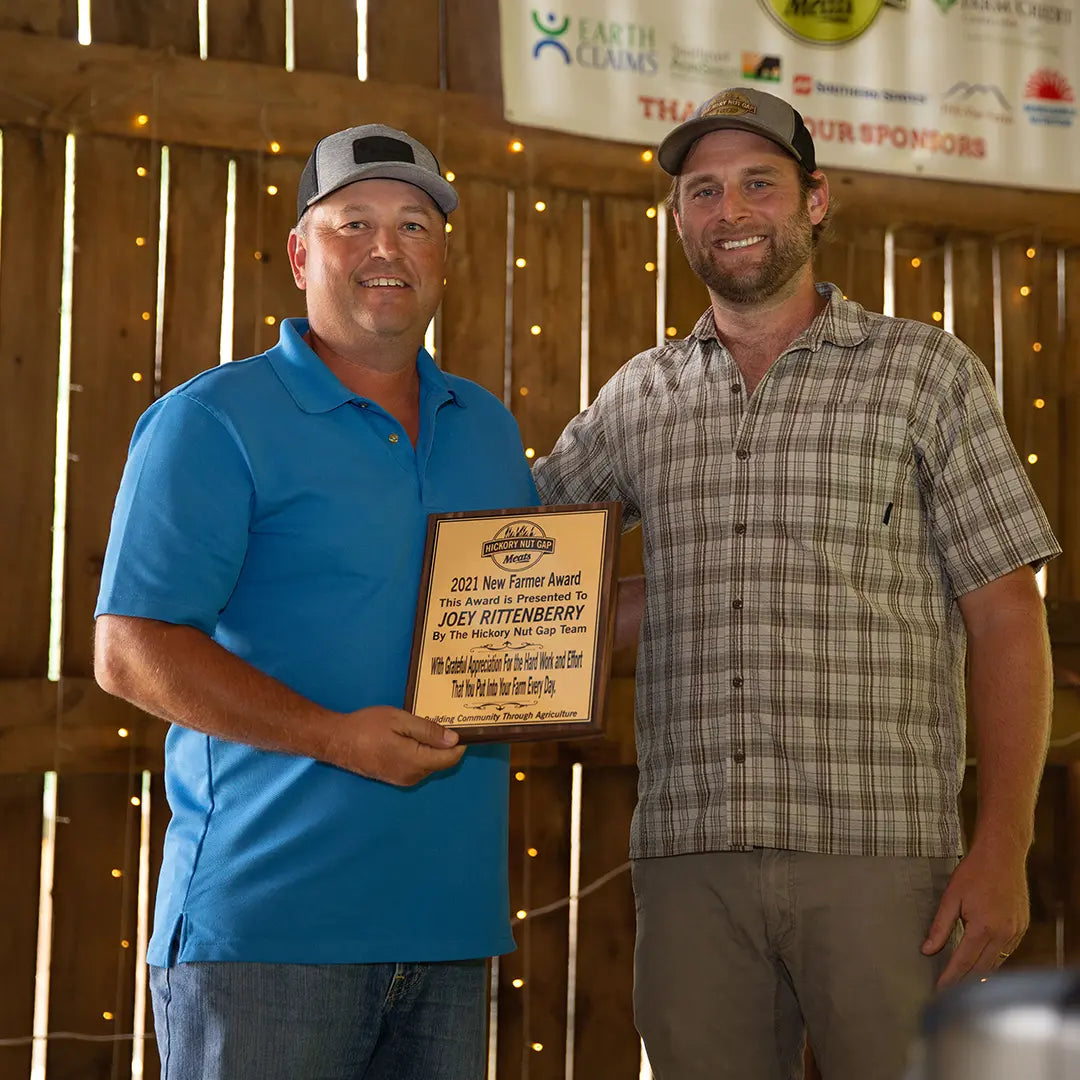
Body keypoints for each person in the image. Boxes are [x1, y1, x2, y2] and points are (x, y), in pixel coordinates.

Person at [532, 87, 1059, 1080]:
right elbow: (518, 567)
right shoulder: (639, 395)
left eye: (758, 183)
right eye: (703, 191)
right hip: (693, 864)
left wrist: (1002, 849)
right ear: (678, 217)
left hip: (884, 856)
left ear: (815, 200)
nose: (731, 212)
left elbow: (1006, 615)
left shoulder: (926, 374)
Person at [94, 124, 538, 1080]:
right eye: (354, 224)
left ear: (444, 259)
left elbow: (538, 621)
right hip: (267, 929)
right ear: (301, 253)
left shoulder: (488, 428)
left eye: (415, 225)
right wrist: (335, 737)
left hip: (452, 929)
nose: (388, 249)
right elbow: (128, 649)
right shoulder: (212, 421)